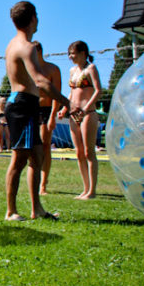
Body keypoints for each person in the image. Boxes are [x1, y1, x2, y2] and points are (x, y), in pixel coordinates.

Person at [3, 1, 74, 221]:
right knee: (19, 159)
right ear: (33, 18)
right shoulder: (27, 47)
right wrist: (67, 102)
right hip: (22, 105)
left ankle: (37, 210)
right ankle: (11, 211)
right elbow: (41, 81)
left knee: (37, 155)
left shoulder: (13, 44)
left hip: (24, 103)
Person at [60, 40, 101, 200]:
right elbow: (72, 92)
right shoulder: (72, 71)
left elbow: (98, 90)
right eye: (69, 54)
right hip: (74, 114)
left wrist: (86, 108)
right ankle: (85, 188)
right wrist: (65, 108)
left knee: (89, 152)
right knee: (79, 153)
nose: (71, 57)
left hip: (88, 113)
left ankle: (92, 190)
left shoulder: (91, 69)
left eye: (73, 53)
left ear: (83, 53)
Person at [32, 41, 62, 195]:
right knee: (32, 147)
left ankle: (43, 183)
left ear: (39, 51)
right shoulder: (29, 69)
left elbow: (56, 94)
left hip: (46, 110)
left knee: (45, 145)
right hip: (31, 109)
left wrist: (53, 115)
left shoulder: (52, 69)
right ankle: (35, 180)